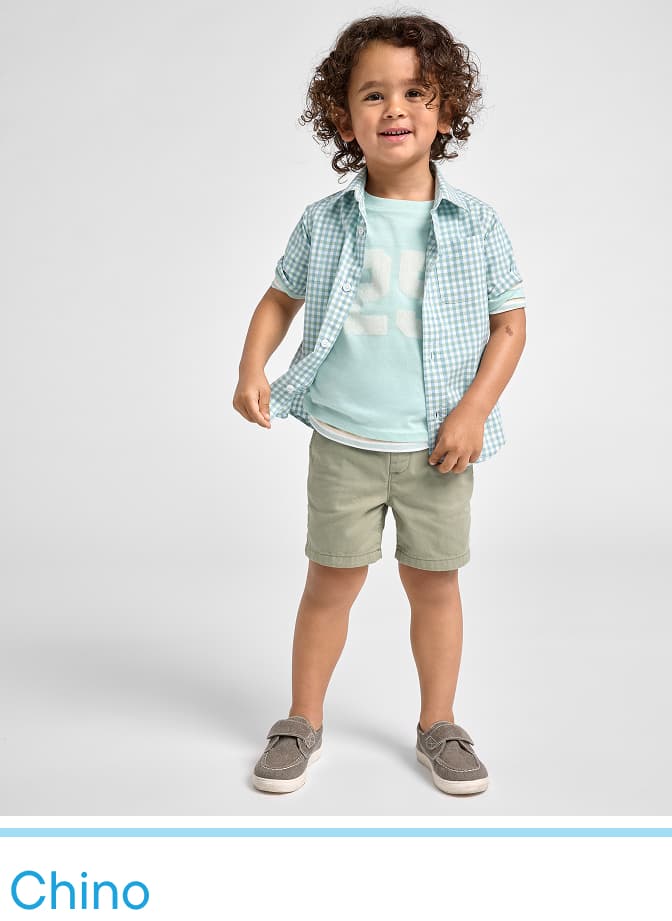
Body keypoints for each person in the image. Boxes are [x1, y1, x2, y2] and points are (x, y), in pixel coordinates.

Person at [233, 13, 527, 795]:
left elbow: (509, 326)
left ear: (445, 110)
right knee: (329, 582)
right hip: (344, 442)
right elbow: (277, 299)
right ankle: (302, 718)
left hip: (439, 447)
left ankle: (440, 724)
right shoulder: (325, 222)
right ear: (344, 117)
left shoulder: (477, 224)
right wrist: (251, 365)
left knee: (434, 584)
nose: (395, 108)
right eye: (373, 94)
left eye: (415, 92)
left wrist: (472, 411)